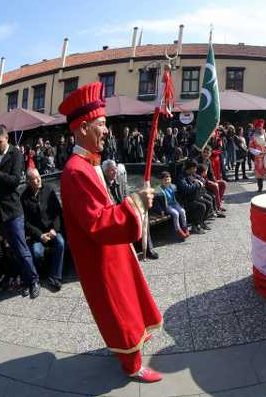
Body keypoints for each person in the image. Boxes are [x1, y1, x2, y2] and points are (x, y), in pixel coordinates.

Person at [58, 82, 163, 382]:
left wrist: (133, 204)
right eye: (102, 125)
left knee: (127, 303)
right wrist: (136, 203)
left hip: (111, 251)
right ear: (82, 128)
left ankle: (130, 350)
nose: (107, 131)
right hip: (101, 257)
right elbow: (98, 223)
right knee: (119, 308)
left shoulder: (87, 165)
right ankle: (132, 366)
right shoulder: (76, 171)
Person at [0, 124, 40, 298]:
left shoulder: (16, 154)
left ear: (7, 139)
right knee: (13, 250)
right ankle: (26, 281)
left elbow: (15, 181)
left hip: (13, 211)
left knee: (22, 248)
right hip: (1, 213)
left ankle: (34, 280)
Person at [102, 160, 159, 260]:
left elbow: (126, 195)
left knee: (143, 218)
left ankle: (148, 249)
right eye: (112, 170)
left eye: (115, 169)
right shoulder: (102, 184)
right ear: (105, 172)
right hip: (114, 214)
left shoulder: (119, 180)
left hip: (124, 209)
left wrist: (134, 207)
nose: (115, 172)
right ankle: (128, 253)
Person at [20, 168, 65, 291]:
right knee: (37, 252)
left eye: (39, 176)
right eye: (35, 178)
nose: (39, 179)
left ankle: (55, 277)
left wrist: (54, 229)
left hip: (52, 230)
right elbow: (27, 223)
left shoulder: (49, 189)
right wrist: (40, 235)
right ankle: (44, 273)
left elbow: (57, 213)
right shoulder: (24, 198)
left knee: (60, 243)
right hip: (38, 235)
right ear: (29, 181)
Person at [178, 159, 213, 234]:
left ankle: (201, 223)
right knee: (202, 206)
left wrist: (199, 181)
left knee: (209, 203)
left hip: (194, 197)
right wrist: (197, 184)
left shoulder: (193, 174)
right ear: (190, 168)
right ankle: (195, 226)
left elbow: (201, 179)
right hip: (186, 200)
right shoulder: (182, 177)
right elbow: (186, 188)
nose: (196, 169)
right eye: (194, 168)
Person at [156, 171, 189, 239]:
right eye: (165, 180)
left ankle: (184, 226)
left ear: (170, 179)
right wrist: (161, 210)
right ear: (161, 181)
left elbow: (178, 197)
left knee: (182, 211)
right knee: (176, 213)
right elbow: (157, 202)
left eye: (168, 179)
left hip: (175, 203)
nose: (167, 181)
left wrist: (181, 204)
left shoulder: (173, 186)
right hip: (167, 206)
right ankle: (178, 230)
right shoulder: (158, 190)